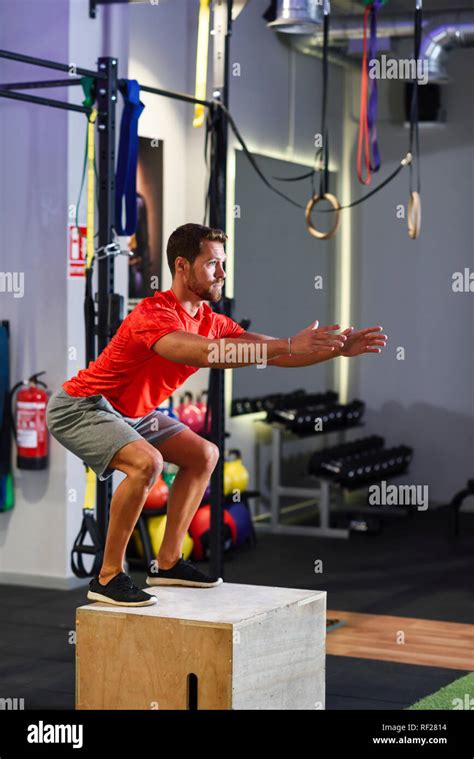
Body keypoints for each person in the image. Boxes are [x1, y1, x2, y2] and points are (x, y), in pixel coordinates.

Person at [46, 223, 387, 607]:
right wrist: (287, 343)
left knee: (204, 455)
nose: (222, 274)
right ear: (182, 266)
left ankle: (168, 562)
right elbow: (208, 354)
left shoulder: (211, 320)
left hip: (133, 412)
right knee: (147, 464)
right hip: (84, 405)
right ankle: (107, 577)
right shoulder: (154, 313)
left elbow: (277, 354)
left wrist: (336, 350)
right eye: (212, 264)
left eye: (223, 264)